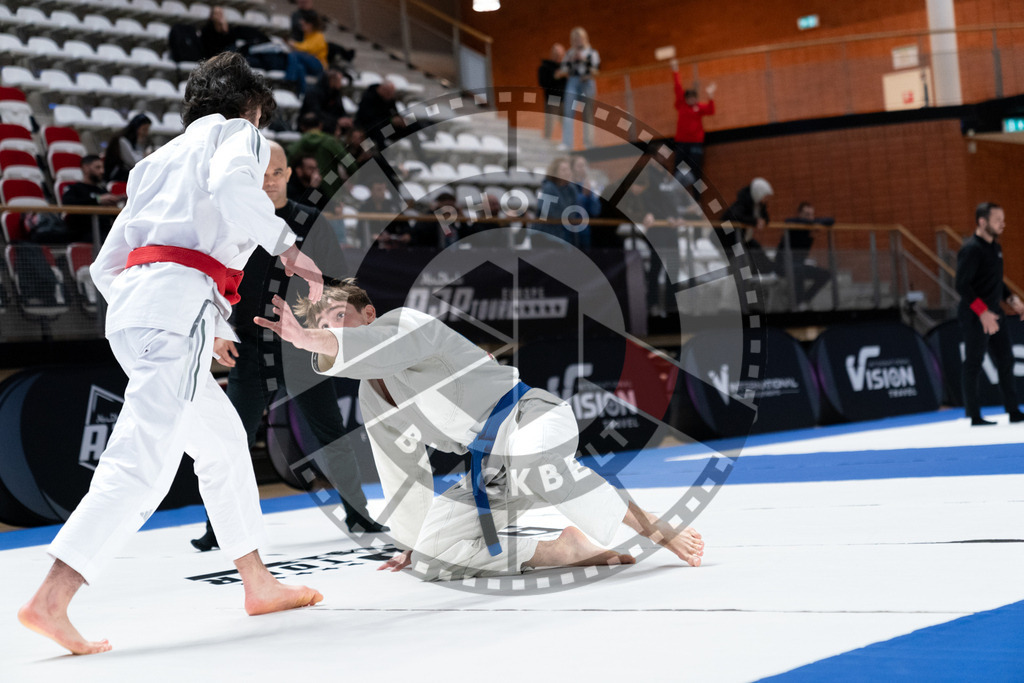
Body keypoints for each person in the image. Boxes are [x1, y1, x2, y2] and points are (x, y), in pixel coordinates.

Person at [17, 52, 324, 656]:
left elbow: (108, 263)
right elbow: (233, 190)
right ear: (252, 107)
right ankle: (51, 598)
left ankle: (257, 583)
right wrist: (288, 250)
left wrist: (182, 315)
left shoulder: (154, 162)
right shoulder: (240, 134)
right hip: (170, 309)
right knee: (146, 458)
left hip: (136, 309)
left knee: (224, 443)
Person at [254, 279, 705, 581]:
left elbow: (373, 346)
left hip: (530, 418)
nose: (332, 327)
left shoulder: (407, 324)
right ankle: (560, 551)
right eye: (323, 324)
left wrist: (310, 339)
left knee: (533, 462)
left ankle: (654, 526)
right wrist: (411, 541)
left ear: (369, 313)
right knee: (433, 559)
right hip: (490, 466)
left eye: (338, 315)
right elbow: (400, 465)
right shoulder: (373, 395)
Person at [190, 140, 385, 552]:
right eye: (261, 175)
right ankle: (218, 529)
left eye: (277, 173)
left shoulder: (311, 222)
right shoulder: (230, 224)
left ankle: (359, 514)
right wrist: (219, 332)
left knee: (333, 435)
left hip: (302, 350)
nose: (270, 182)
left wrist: (326, 327)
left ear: (289, 174)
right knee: (231, 443)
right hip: (250, 350)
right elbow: (211, 286)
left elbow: (337, 282)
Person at [955, 202, 1024, 426]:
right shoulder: (971, 249)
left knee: (1006, 359)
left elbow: (996, 281)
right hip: (975, 314)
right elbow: (962, 285)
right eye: (998, 220)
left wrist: (1012, 299)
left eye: (1003, 219)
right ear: (982, 222)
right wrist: (982, 312)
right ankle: (974, 415)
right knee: (974, 362)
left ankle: (1013, 410)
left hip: (995, 312)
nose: (1002, 224)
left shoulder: (995, 247)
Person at [776, 202, 832, 311]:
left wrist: (813, 223)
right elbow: (788, 221)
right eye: (806, 214)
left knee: (825, 274)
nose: (809, 218)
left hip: (798, 265)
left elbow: (830, 220)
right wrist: (813, 223)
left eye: (811, 215)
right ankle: (798, 304)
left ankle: (805, 300)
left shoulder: (810, 226)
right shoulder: (793, 225)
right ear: (799, 214)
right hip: (782, 265)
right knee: (798, 269)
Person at [669, 59, 716, 186]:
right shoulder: (681, 105)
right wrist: (675, 70)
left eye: (693, 98)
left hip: (696, 143)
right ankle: (675, 193)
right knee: (678, 167)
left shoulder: (699, 107)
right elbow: (678, 87)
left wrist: (710, 96)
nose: (691, 100)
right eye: (689, 98)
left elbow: (711, 110)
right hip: (682, 142)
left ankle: (697, 198)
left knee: (696, 171)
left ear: (696, 98)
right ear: (686, 99)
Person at [61, 154, 127, 241]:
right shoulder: (74, 189)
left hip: (106, 232)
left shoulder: (102, 191)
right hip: (84, 233)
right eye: (97, 167)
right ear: (85, 168)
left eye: (102, 168)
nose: (102, 171)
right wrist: (98, 200)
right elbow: (68, 204)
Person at [720, 177, 775, 278]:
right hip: (732, 241)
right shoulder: (742, 203)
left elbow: (765, 217)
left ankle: (770, 273)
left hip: (745, 239)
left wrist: (763, 221)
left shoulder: (760, 205)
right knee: (746, 262)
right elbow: (735, 216)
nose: (767, 199)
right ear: (759, 193)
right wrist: (755, 221)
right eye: (765, 196)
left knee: (759, 255)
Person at [556, 27, 599, 150]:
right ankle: (567, 143)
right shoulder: (570, 53)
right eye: (575, 39)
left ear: (584, 38)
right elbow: (563, 70)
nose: (578, 41)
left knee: (587, 114)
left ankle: (589, 143)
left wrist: (583, 60)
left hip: (587, 83)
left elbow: (596, 70)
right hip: (573, 83)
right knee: (568, 113)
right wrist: (569, 63)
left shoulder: (592, 52)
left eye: (579, 38)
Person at [533, 157, 589, 249]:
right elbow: (546, 212)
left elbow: (576, 211)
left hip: (568, 236)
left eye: (568, 169)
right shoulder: (548, 188)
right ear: (555, 172)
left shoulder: (572, 189)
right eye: (563, 170)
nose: (567, 172)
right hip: (548, 237)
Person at [287, 9, 327, 96]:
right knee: (299, 67)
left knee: (294, 54)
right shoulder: (307, 35)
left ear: (310, 25)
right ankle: (302, 93)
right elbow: (306, 49)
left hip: (318, 64)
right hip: (309, 63)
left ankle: (290, 79)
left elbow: (309, 49)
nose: (302, 27)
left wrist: (295, 45)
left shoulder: (319, 35)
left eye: (304, 25)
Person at [301, 69, 352, 135]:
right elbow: (315, 113)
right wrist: (336, 121)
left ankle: (364, 145)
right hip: (314, 124)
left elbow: (340, 110)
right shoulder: (313, 92)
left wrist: (345, 119)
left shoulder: (335, 93)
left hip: (332, 122)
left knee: (354, 129)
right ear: (331, 79)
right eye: (339, 80)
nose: (341, 83)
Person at [104, 114, 150, 182]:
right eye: (144, 129)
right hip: (117, 175)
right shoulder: (122, 140)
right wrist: (145, 156)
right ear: (136, 128)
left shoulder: (137, 141)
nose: (146, 133)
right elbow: (133, 162)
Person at [537, 43, 566, 140]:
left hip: (566, 100)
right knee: (550, 127)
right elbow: (543, 83)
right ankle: (546, 148)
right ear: (552, 54)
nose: (558, 55)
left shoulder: (566, 68)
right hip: (553, 99)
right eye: (556, 53)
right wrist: (555, 76)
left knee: (568, 128)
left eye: (560, 54)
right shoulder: (545, 67)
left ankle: (569, 149)